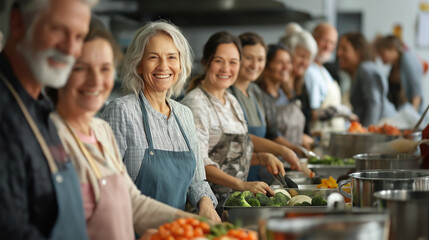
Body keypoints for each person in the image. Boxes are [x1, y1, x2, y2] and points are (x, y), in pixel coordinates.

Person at [49, 19, 197, 239]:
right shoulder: (48, 137)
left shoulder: (100, 131)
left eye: (105, 68)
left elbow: (133, 202)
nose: (96, 80)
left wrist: (198, 226)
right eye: (81, 68)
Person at [101, 21, 220, 222]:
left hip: (176, 231)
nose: (163, 66)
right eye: (153, 57)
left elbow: (197, 180)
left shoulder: (184, 115)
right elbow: (105, 185)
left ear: (181, 64)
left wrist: (206, 203)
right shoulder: (121, 111)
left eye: (172, 57)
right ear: (138, 64)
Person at [0, 0, 95, 239]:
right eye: (58, 30)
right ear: (17, 22)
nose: (70, 49)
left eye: (79, 36)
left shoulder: (40, 107)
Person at [182, 31, 285, 212]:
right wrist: (242, 185)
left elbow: (228, 159)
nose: (226, 69)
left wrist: (261, 157)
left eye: (233, 62)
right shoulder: (196, 104)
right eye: (218, 61)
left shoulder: (231, 101)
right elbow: (199, 164)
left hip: (232, 206)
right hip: (206, 209)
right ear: (206, 62)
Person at [228, 32, 300, 181]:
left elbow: (270, 132)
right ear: (237, 58)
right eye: (249, 58)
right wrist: (283, 150)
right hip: (233, 177)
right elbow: (241, 138)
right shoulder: (227, 93)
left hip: (256, 176)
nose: (255, 65)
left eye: (260, 59)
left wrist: (294, 150)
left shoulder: (256, 92)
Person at [304, 22, 356, 135]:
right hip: (318, 138)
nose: (328, 46)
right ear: (313, 39)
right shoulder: (309, 71)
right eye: (324, 40)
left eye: (332, 43)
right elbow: (313, 113)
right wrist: (341, 111)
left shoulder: (323, 70)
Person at [337, 33, 397, 126]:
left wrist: (365, 132)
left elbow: (374, 103)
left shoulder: (365, 69)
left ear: (358, 52)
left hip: (382, 125)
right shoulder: (359, 71)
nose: (338, 53)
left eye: (344, 49)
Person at [278, 29, 316, 147]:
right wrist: (298, 138)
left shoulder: (302, 86)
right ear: (288, 54)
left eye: (308, 58)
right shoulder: (277, 85)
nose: (305, 62)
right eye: (301, 56)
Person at [375, 35, 424, 112]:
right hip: (400, 112)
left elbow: (416, 93)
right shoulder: (394, 66)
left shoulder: (407, 59)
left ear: (392, 48)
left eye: (382, 54)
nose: (381, 58)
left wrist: (412, 115)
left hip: (411, 115)